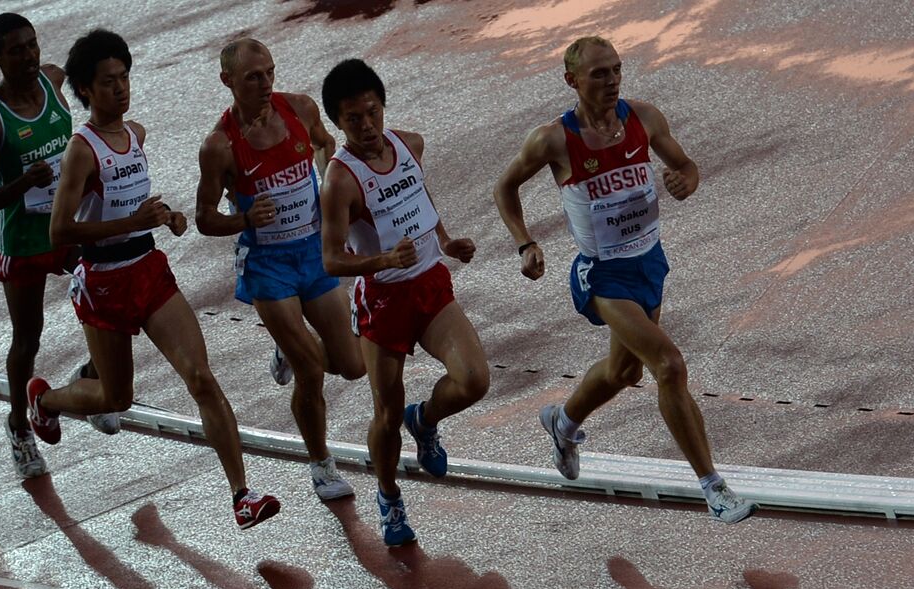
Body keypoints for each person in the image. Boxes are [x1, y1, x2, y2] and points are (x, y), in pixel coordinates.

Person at [493, 36, 754, 524]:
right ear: (571, 81)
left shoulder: (644, 118)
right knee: (669, 365)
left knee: (624, 373)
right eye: (599, 73)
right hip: (602, 274)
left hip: (649, 263)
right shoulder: (552, 139)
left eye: (616, 69)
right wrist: (525, 243)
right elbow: (504, 187)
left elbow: (686, 166)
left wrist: (686, 181)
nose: (612, 80)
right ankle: (713, 486)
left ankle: (564, 422)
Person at [26, 29, 281, 530]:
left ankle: (241, 495)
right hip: (103, 283)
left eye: (124, 78)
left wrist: (164, 216)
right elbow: (60, 229)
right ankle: (47, 399)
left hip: (148, 270)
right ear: (84, 90)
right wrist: (131, 223)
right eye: (107, 82)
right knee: (115, 398)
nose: (120, 90)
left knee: (201, 377)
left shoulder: (136, 134)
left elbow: (130, 203)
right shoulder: (82, 150)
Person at [319, 58, 489, 547]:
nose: (367, 125)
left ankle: (427, 419)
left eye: (372, 112)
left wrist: (446, 239)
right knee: (385, 414)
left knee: (475, 380)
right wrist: (380, 259)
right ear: (339, 122)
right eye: (354, 119)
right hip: (383, 302)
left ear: (383, 105)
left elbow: (416, 193)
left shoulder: (409, 144)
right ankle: (390, 497)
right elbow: (331, 261)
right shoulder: (340, 181)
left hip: (429, 285)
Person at [196, 37, 364, 502]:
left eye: (269, 72)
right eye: (253, 77)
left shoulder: (300, 109)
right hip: (268, 268)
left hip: (312, 253)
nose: (266, 83)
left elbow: (328, 146)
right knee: (312, 372)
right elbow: (205, 218)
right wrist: (246, 218)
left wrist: (333, 194)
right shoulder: (220, 146)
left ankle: (290, 347)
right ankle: (321, 465)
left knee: (351, 366)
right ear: (228, 81)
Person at [0, 11, 116, 480]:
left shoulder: (55, 81)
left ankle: (91, 382)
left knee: (115, 304)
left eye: (32, 45)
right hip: (25, 240)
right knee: (27, 337)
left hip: (69, 227)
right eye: (16, 50)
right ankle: (19, 424)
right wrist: (20, 182)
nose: (29, 56)